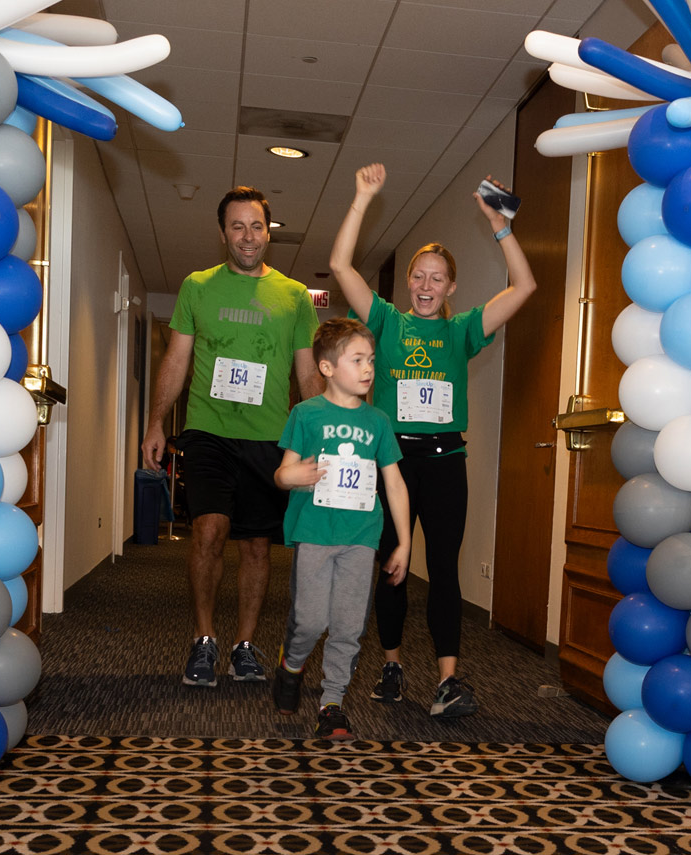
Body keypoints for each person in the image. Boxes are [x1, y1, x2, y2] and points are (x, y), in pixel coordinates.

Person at [329, 163, 537, 719]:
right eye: (418, 276)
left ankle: (447, 681)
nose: (425, 285)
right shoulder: (387, 323)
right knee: (394, 565)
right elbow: (339, 265)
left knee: (444, 567)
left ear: (450, 287)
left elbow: (525, 286)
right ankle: (392, 666)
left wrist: (500, 225)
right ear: (409, 283)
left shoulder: (462, 329)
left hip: (446, 460)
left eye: (436, 278)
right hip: (392, 461)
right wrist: (362, 197)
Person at [141, 185, 322, 688]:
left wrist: (322, 435)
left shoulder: (293, 297)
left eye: (257, 226)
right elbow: (176, 360)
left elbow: (308, 375)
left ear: (269, 232)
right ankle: (204, 639)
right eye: (237, 226)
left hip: (268, 438)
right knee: (209, 529)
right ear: (223, 233)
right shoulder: (198, 286)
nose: (248, 236)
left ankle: (244, 644)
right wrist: (157, 422)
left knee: (259, 546)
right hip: (208, 430)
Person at [272, 317, 411, 739]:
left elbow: (394, 482)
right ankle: (291, 664)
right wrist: (291, 476)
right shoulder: (305, 414)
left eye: (370, 359)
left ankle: (331, 704)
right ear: (328, 368)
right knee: (311, 621)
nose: (368, 368)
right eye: (357, 360)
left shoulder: (379, 422)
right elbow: (282, 473)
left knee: (350, 626)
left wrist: (403, 542)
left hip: (360, 538)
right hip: (314, 533)